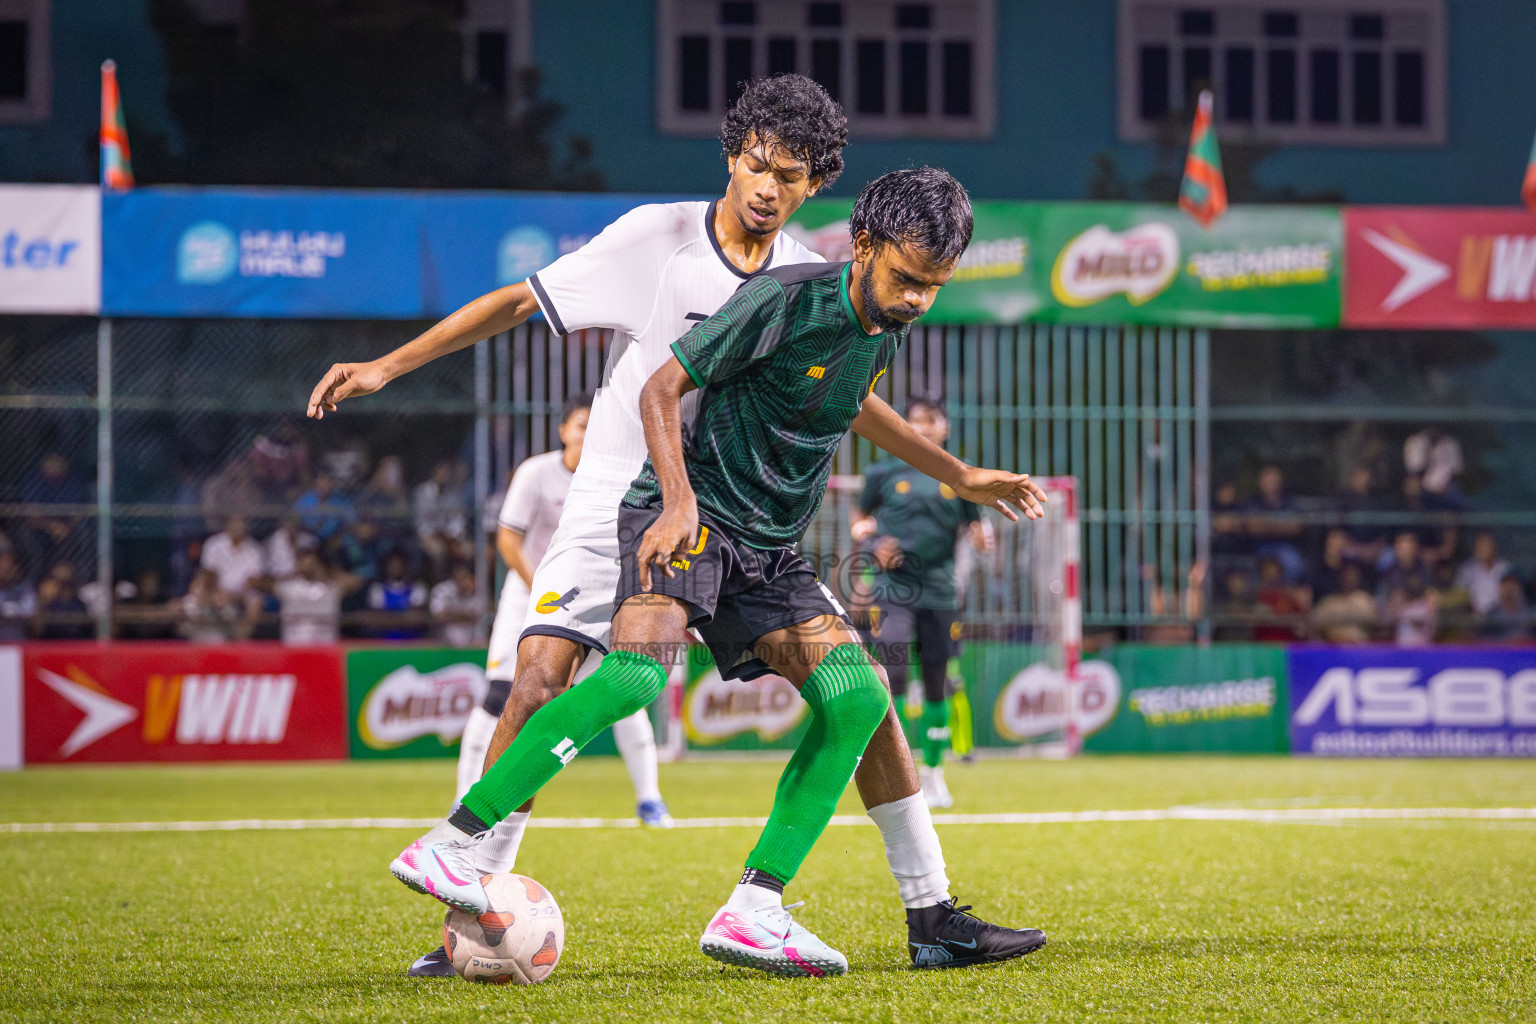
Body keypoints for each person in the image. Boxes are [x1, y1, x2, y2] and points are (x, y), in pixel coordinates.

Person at [310, 78, 1038, 977]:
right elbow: (517, 306)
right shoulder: (658, 238)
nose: (769, 186)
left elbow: (848, 396)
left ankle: (923, 913)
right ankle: (469, 888)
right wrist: (390, 366)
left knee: (862, 699)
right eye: (757, 163)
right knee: (543, 678)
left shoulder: (834, 281)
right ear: (732, 155)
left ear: (817, 186)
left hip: (739, 516)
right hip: (631, 491)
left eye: (792, 173)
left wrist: (957, 473)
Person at [454, 393, 673, 826]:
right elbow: (508, 541)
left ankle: (650, 799)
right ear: (562, 431)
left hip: (595, 598)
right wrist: (546, 590)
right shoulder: (536, 472)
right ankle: (466, 800)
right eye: (580, 425)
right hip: (530, 595)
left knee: (621, 691)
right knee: (502, 694)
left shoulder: (621, 476)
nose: (588, 433)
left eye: (596, 425)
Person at [851, 395, 986, 809]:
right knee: (890, 669)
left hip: (942, 591)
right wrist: (873, 542)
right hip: (894, 590)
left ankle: (933, 772)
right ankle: (894, 770)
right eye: (915, 421)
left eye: (931, 421)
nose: (923, 428)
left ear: (944, 428)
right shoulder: (883, 472)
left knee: (936, 681)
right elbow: (858, 523)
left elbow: (976, 526)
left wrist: (983, 536)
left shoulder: (959, 475)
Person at [1455, 531, 1511, 618]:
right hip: (1476, 621)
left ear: (1494, 547)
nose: (1483, 548)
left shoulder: (1505, 568)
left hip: (1502, 619)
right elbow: (1459, 595)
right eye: (1480, 545)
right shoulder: (1467, 569)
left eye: (1486, 545)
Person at [429, 561, 482, 648]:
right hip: (443, 644)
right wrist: (465, 616)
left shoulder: (477, 590)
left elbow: (478, 615)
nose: (463, 582)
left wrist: (450, 613)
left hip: (471, 644)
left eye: (465, 577)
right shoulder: (443, 590)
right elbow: (438, 616)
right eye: (459, 578)